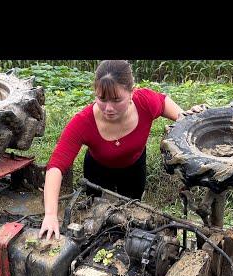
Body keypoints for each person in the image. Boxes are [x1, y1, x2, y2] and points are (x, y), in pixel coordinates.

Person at [39, 60, 191, 240]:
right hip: (97, 170)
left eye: (116, 99)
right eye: (102, 99)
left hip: (134, 168)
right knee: (94, 213)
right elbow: (56, 165)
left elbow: (164, 102)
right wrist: (50, 215)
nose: (108, 108)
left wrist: (185, 117)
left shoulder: (145, 103)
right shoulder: (83, 121)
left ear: (131, 93)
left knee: (132, 212)